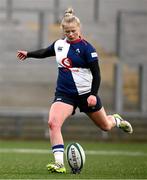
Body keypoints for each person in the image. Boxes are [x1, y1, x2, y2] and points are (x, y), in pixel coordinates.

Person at [17, 7, 133, 174]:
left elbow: (97, 74)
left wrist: (93, 94)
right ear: (63, 30)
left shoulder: (88, 49)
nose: (70, 34)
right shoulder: (59, 45)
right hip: (65, 95)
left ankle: (115, 120)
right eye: (67, 31)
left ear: (79, 30)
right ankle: (59, 164)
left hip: (86, 95)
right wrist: (28, 54)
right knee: (53, 123)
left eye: (73, 31)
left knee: (105, 126)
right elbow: (45, 52)